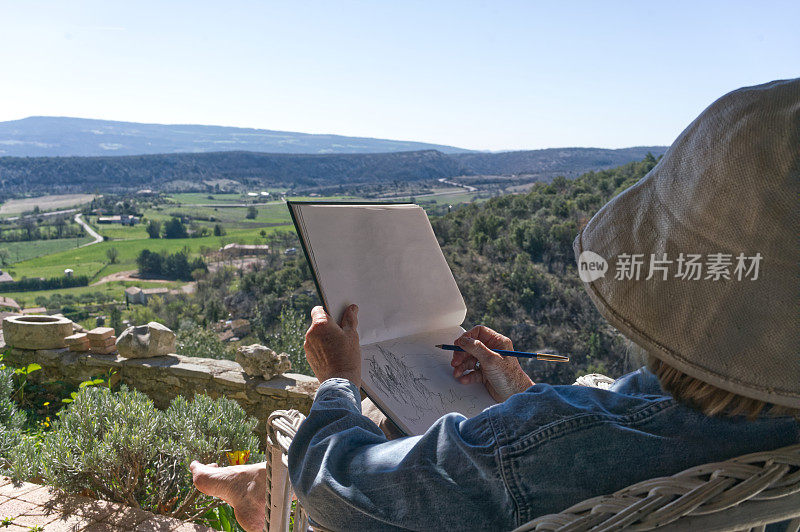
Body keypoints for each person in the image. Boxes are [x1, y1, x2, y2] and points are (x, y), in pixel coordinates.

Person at [191, 78, 799, 531]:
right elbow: (621, 424)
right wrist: (520, 390)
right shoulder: (764, 425)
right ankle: (255, 485)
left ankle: (263, 493)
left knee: (344, 437)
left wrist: (338, 381)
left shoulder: (543, 444)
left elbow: (339, 489)